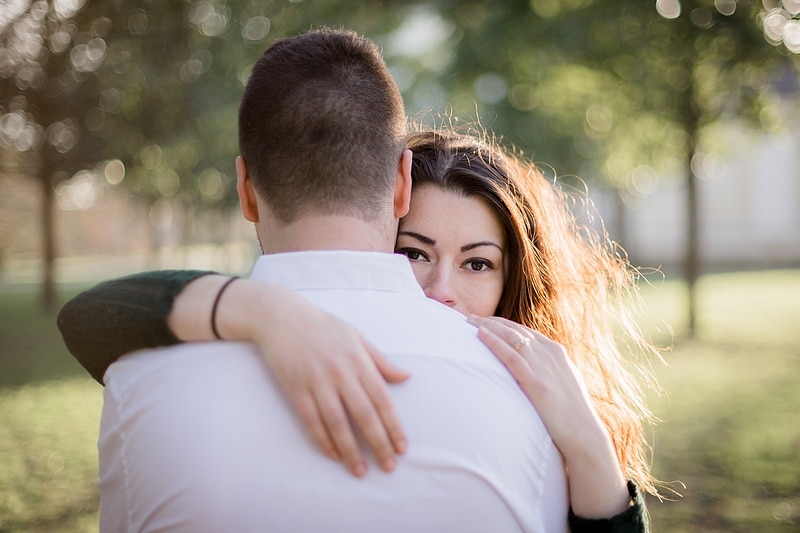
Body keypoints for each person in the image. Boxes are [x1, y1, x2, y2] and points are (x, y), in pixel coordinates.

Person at [65, 28, 579, 532]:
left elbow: (84, 321)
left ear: (245, 189)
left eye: (477, 262)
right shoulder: (533, 407)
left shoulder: (140, 378)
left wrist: (255, 307)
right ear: (403, 184)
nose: (443, 291)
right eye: (418, 253)